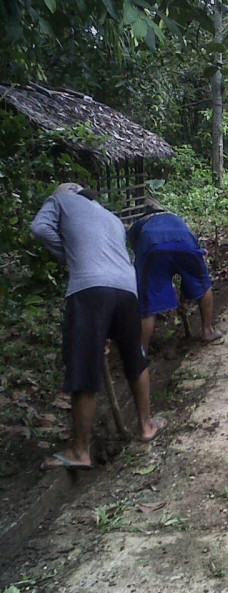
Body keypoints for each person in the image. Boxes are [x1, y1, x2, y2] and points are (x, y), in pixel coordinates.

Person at [31, 183, 167, 470]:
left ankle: (80, 450)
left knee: (84, 363)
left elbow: (40, 229)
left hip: (89, 288)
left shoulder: (60, 200)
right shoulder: (111, 217)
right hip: (126, 289)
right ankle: (146, 425)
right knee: (134, 356)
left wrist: (69, 257)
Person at [127, 211, 223, 351]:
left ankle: (142, 352)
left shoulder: (136, 227)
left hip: (153, 248)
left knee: (147, 299)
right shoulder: (176, 218)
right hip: (185, 244)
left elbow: (140, 257)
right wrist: (184, 294)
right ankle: (208, 331)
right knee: (202, 283)